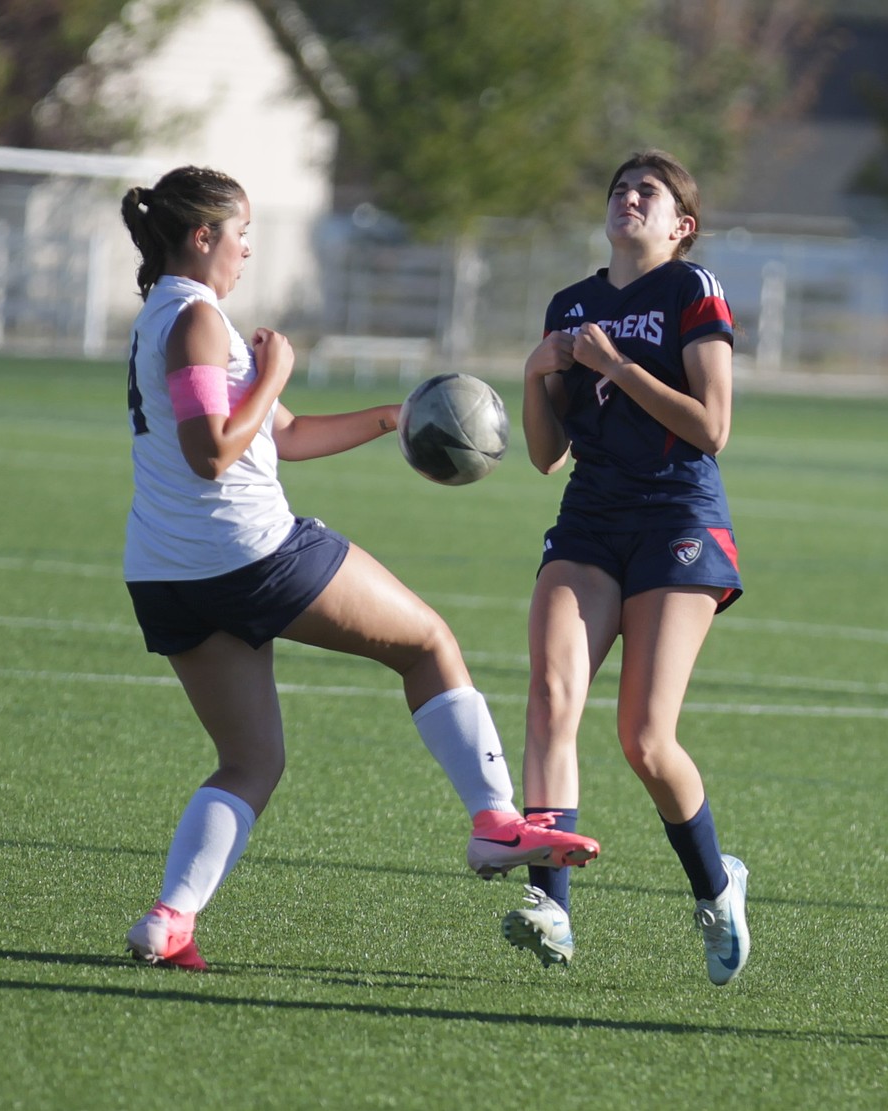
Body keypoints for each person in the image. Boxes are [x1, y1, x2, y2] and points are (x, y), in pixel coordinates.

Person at [116, 165, 600, 970]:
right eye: (241, 238)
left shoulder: (164, 318)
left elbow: (285, 434)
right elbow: (211, 454)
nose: (246, 254)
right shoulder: (197, 321)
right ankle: (494, 822)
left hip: (168, 572)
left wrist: (390, 419)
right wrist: (276, 369)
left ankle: (171, 920)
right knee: (427, 644)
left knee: (253, 760)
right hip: (248, 551)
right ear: (203, 238)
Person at [501, 150, 749, 984]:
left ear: (681, 226)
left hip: (678, 517)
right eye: (619, 188)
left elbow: (712, 426)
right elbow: (545, 455)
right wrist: (537, 373)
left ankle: (717, 886)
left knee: (645, 739)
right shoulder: (571, 304)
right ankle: (553, 907)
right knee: (550, 690)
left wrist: (615, 366)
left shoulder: (691, 288)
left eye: (650, 192)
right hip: (591, 520)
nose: (628, 198)